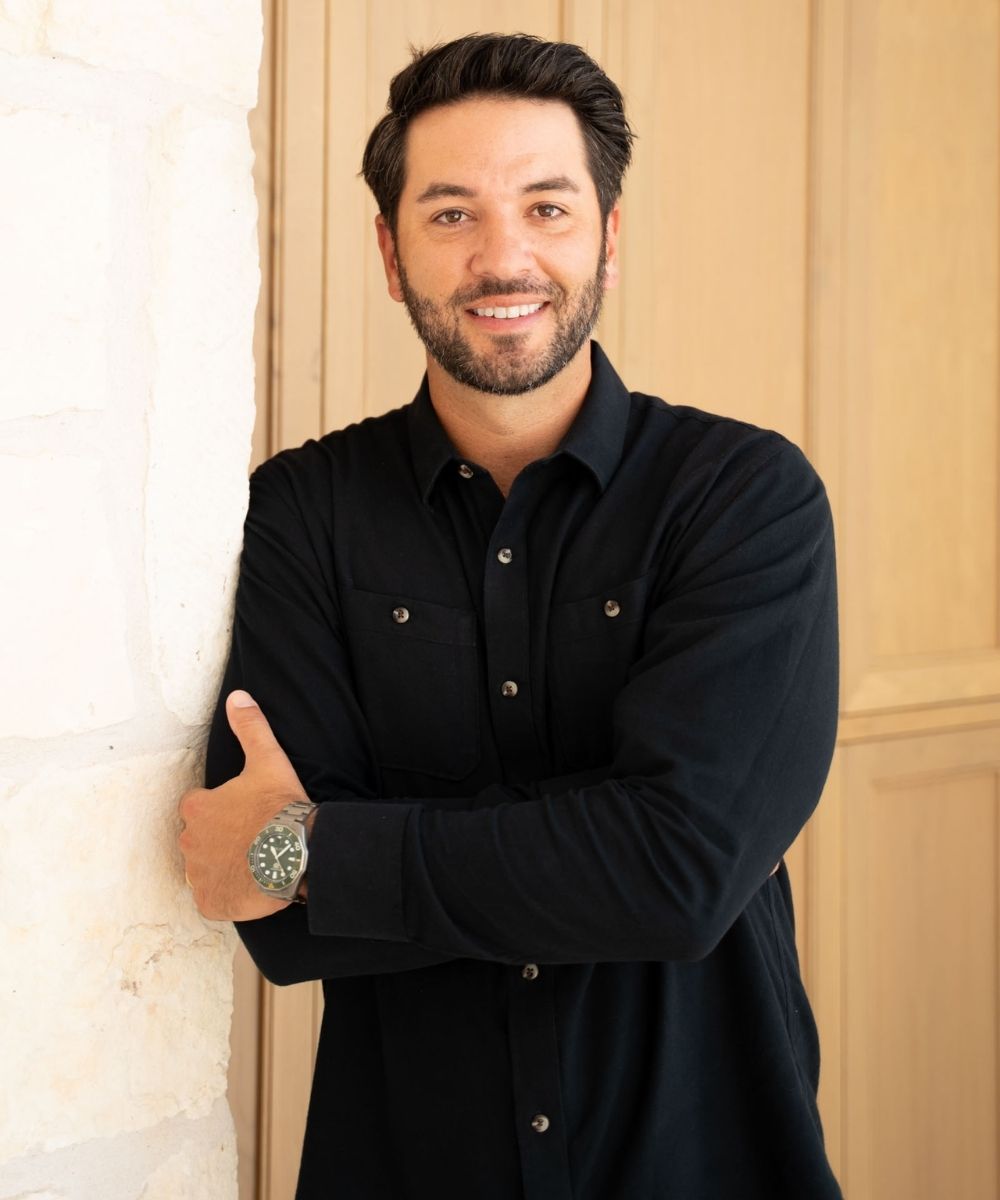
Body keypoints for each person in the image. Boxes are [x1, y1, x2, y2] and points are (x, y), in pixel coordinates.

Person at [178, 32, 843, 1200]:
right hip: (408, 1165)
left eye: (546, 207)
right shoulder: (302, 513)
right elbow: (278, 926)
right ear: (389, 253)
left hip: (710, 1156)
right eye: (449, 216)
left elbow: (678, 874)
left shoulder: (744, 497)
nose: (503, 259)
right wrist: (581, 841)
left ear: (608, 238)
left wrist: (319, 849)